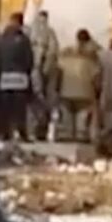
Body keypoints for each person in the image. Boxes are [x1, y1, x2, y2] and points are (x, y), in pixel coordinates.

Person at [0, 13, 35, 140]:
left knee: (5, 108)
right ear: (21, 23)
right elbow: (29, 60)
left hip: (5, 78)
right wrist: (26, 71)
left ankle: (5, 133)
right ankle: (22, 133)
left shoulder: (2, 39)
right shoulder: (24, 39)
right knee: (20, 109)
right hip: (20, 78)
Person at [57, 29, 103, 142]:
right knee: (82, 116)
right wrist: (98, 91)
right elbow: (96, 77)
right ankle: (81, 135)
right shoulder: (92, 58)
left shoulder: (65, 56)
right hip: (85, 92)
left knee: (66, 114)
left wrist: (57, 88)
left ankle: (66, 134)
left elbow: (58, 73)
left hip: (65, 91)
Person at [31, 10, 61, 140]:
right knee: (40, 99)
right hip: (39, 70)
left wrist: (44, 67)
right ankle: (40, 127)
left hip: (41, 71)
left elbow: (52, 52)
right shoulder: (41, 33)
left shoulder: (43, 33)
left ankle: (41, 128)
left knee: (42, 99)